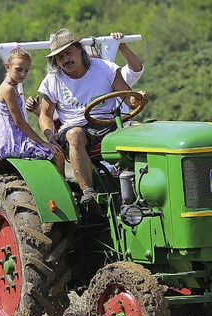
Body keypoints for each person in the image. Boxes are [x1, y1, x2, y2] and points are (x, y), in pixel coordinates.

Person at [37, 28, 148, 220]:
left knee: (141, 130)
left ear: (79, 49)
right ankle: (89, 193)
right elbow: (45, 115)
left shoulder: (104, 68)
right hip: (76, 128)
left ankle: (144, 189)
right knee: (75, 135)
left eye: (68, 53)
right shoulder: (52, 80)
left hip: (110, 123)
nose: (65, 59)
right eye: (60, 57)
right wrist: (49, 135)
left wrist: (140, 99)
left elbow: (129, 99)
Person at [0, 47, 65, 176]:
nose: (23, 74)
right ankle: (64, 192)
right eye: (18, 70)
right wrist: (42, 142)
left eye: (26, 70)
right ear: (7, 66)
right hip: (12, 144)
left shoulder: (13, 87)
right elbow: (20, 123)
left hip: (16, 140)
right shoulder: (8, 89)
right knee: (58, 155)